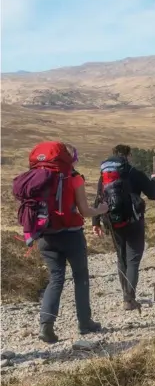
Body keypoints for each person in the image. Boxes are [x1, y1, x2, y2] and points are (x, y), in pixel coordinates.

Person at [36, 143, 109, 343]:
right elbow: (85, 211)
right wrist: (101, 210)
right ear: (72, 158)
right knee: (80, 277)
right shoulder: (74, 178)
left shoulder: (40, 177)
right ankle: (85, 323)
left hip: (46, 236)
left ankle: (46, 325)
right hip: (71, 236)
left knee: (56, 278)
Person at [93, 145, 155, 310]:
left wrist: (96, 222)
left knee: (121, 259)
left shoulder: (105, 176)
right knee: (133, 260)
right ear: (128, 156)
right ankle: (129, 299)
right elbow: (153, 194)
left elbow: (99, 199)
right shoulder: (133, 172)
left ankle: (126, 297)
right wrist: (154, 180)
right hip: (134, 222)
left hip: (113, 223)